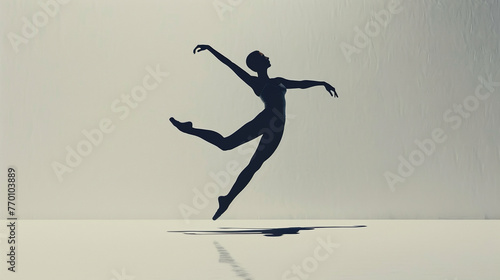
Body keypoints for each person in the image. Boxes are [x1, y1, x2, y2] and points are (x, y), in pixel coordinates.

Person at [170, 44, 338, 220]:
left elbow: (301, 84)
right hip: (265, 120)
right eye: (263, 56)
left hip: (277, 128)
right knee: (226, 144)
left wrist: (322, 83)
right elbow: (230, 65)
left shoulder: (279, 81)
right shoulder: (257, 82)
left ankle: (227, 199)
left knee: (254, 166)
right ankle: (189, 129)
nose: (267, 57)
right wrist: (210, 49)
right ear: (257, 64)